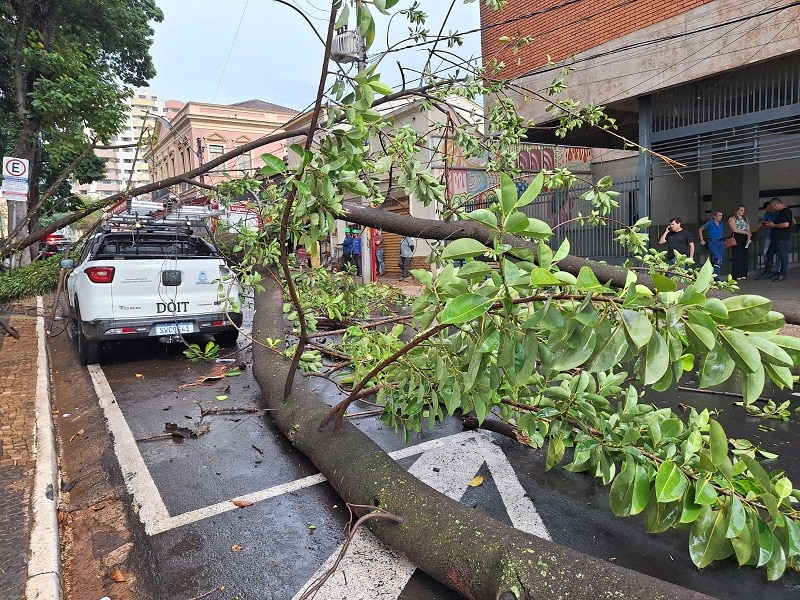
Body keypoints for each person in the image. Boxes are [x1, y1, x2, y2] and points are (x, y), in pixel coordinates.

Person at [754, 198, 794, 281]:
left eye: (773, 207)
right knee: (769, 254)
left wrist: (774, 225)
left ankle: (782, 273)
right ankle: (767, 272)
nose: (773, 209)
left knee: (782, 256)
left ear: (777, 205)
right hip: (775, 237)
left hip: (782, 237)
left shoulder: (786, 211)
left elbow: (786, 224)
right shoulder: (777, 212)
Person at [698, 210, 725, 278]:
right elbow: (700, 229)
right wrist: (702, 240)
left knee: (718, 260)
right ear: (714, 216)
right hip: (712, 242)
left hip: (720, 242)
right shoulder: (710, 223)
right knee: (719, 258)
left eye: (721, 216)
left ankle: (716, 276)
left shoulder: (721, 223)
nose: (720, 217)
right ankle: (716, 276)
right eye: (719, 215)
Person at [727, 205, 751, 280]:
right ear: (737, 211)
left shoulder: (745, 219)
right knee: (737, 256)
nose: (743, 212)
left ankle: (744, 273)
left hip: (745, 237)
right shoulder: (732, 219)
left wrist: (749, 237)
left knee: (745, 255)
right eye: (741, 210)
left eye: (743, 210)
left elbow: (748, 229)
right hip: (737, 237)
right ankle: (737, 274)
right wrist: (745, 232)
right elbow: (735, 229)